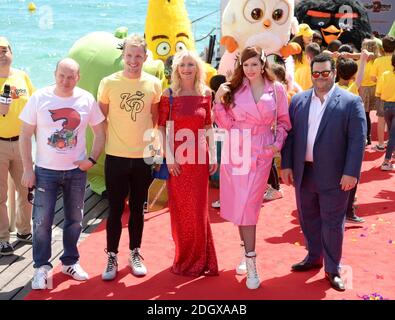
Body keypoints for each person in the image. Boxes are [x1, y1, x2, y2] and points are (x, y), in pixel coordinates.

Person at [281, 53, 366, 291]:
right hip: (303, 172)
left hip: (335, 175)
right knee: (308, 218)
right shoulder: (298, 100)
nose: (320, 77)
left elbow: (357, 140)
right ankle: (313, 256)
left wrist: (351, 172)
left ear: (334, 73)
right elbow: (291, 136)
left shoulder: (351, 102)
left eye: (325, 73)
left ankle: (332, 268)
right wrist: (286, 165)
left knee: (332, 222)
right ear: (311, 74)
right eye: (316, 73)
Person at [19, 58, 106, 289]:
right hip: (45, 171)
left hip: (76, 172)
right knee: (41, 221)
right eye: (61, 76)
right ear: (55, 74)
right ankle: (41, 267)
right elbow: (25, 135)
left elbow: (99, 132)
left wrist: (91, 160)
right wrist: (28, 168)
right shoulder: (40, 98)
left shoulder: (86, 99)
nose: (66, 81)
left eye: (71, 77)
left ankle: (70, 261)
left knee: (75, 220)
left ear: (78, 77)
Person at [214, 46, 291, 289]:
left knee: (249, 206)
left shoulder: (276, 88)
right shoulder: (234, 89)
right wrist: (218, 101)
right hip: (236, 149)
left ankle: (251, 262)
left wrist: (276, 144)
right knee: (242, 206)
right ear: (240, 65)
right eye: (245, 65)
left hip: (262, 150)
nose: (250, 69)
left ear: (263, 63)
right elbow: (224, 124)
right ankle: (246, 256)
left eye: (254, 64)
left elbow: (284, 122)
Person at [98, 34, 162, 281]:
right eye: (129, 55)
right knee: (115, 209)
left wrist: (154, 150)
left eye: (138, 56)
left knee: (137, 208)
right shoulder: (108, 83)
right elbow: (100, 119)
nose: (133, 60)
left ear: (145, 57)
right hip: (115, 156)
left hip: (142, 158)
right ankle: (111, 255)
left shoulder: (153, 84)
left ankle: (135, 252)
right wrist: (109, 143)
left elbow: (155, 120)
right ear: (123, 56)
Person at [158, 50, 218, 276]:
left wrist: (213, 155)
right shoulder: (169, 94)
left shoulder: (206, 94)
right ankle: (184, 256)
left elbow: (208, 126)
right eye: (182, 65)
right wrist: (169, 157)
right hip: (178, 161)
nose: (186, 69)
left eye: (191, 64)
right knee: (181, 210)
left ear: (198, 67)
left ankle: (202, 258)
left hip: (199, 160)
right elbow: (162, 127)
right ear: (175, 69)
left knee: (199, 209)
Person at [0, 36, 34, 255]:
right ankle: (3, 237)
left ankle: (23, 230)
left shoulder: (22, 76)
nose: (1, 54)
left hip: (22, 143)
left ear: (11, 53)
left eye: (4, 50)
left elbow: (36, 103)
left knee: (26, 190)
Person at [372, 36, 395, 152]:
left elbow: (373, 78)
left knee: (381, 119)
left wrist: (381, 80)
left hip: (382, 94)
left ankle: (381, 144)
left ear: (382, 48)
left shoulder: (378, 61)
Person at [376, 51, 395, 171]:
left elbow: (379, 92)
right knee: (393, 135)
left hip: (387, 106)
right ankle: (386, 161)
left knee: (392, 133)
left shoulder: (385, 74)